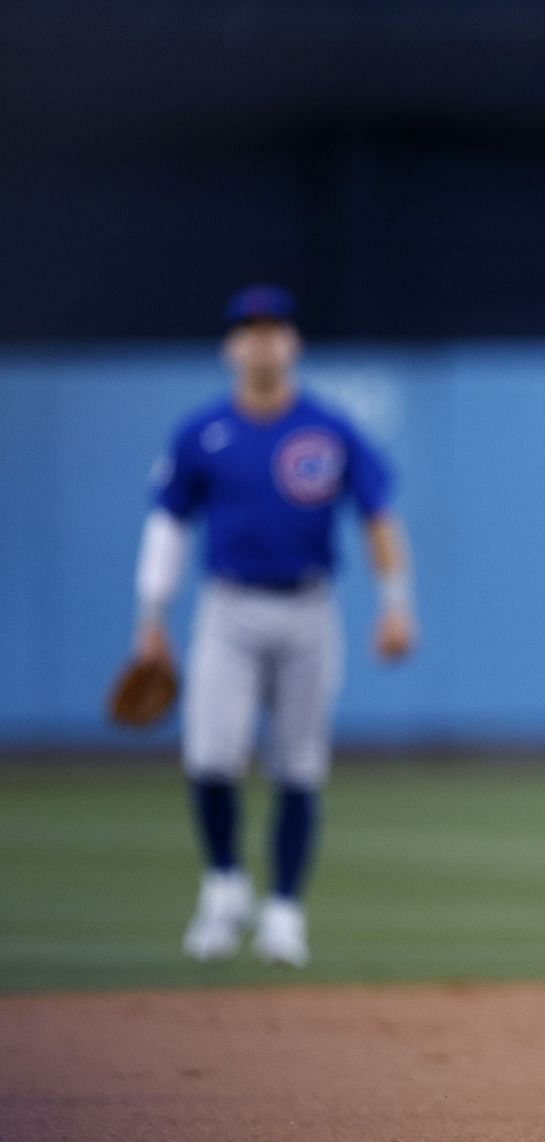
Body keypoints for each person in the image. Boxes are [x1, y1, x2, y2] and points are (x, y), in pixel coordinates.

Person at [130, 284, 416, 969]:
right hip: (227, 608)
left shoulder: (327, 428)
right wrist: (151, 616)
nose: (262, 339)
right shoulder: (203, 433)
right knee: (210, 755)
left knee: (299, 765)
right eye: (249, 329)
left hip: (308, 608)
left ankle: (284, 910)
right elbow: (168, 524)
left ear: (293, 343)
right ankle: (224, 885)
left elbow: (378, 515)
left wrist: (395, 602)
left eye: (274, 327)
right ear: (232, 347)